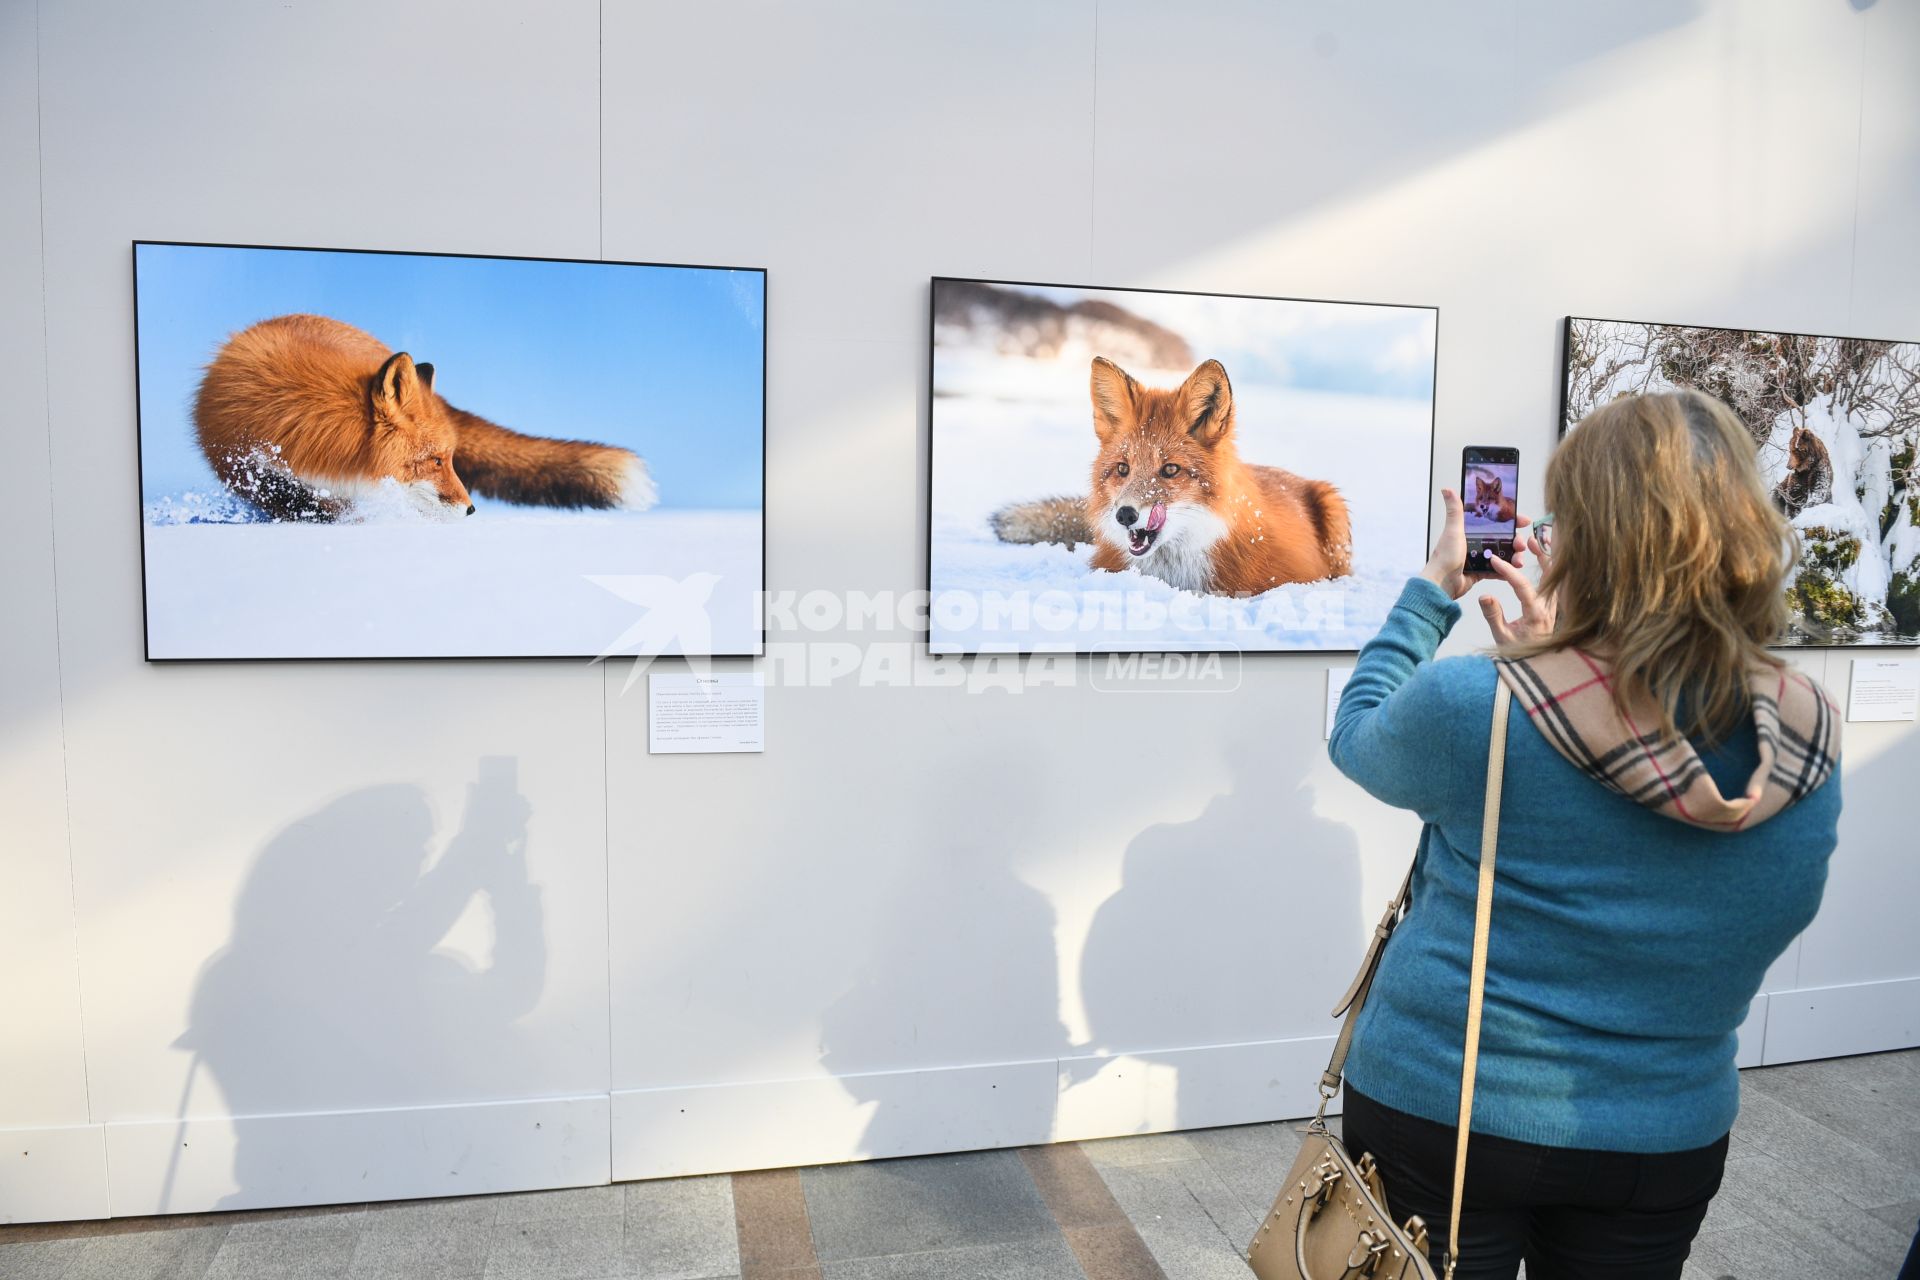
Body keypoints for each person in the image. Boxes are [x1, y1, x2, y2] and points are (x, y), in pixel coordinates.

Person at [1327, 390, 1842, 1279]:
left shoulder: (1481, 705)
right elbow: (1770, 912)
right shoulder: (1801, 731)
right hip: (1661, 1134)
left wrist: (1429, 596)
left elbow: (1358, 734)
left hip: (1445, 1112)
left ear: (1593, 538)